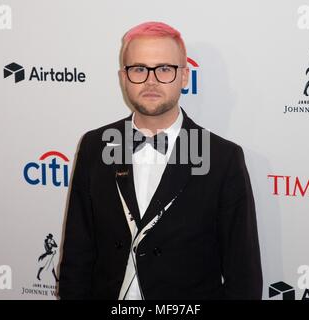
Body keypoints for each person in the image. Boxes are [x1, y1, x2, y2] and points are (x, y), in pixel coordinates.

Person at [58, 21, 262, 300]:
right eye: (139, 69)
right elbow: (77, 256)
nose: (151, 80)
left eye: (164, 69)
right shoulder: (96, 145)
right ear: (123, 77)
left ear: (185, 76)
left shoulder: (223, 158)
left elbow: (244, 277)